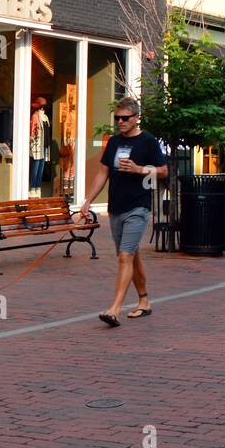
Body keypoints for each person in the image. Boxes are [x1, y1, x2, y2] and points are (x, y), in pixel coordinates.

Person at [80, 97, 168, 326]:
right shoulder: (114, 142)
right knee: (132, 254)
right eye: (117, 118)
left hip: (138, 207)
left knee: (124, 256)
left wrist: (139, 169)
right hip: (115, 208)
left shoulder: (148, 142)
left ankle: (115, 308)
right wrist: (88, 201)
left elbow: (163, 171)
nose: (120, 122)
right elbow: (102, 173)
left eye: (125, 118)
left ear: (136, 118)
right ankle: (144, 301)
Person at [28, 96, 50, 197]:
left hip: (44, 145)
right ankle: (33, 188)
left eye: (43, 106)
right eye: (41, 106)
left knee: (41, 168)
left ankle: (38, 188)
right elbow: (32, 131)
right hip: (37, 145)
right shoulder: (35, 116)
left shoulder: (45, 117)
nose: (42, 108)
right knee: (35, 167)